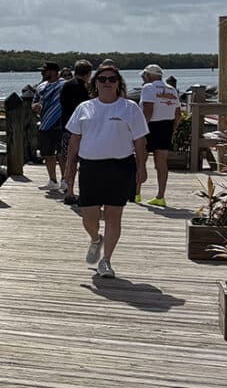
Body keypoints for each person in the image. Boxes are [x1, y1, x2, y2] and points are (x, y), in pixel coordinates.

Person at [64, 65, 148, 278]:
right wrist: (68, 170)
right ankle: (95, 239)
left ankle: (106, 260)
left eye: (112, 79)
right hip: (90, 167)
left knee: (113, 216)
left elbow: (140, 142)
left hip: (120, 167)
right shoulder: (84, 107)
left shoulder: (130, 108)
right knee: (88, 216)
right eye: (102, 79)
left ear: (119, 83)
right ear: (95, 83)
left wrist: (142, 167)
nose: (107, 82)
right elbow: (74, 142)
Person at [137, 64, 180, 206]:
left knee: (140, 160)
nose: (143, 79)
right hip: (166, 126)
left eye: (144, 76)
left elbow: (148, 109)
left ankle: (136, 193)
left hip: (151, 126)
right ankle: (160, 196)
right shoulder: (172, 89)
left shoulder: (148, 88)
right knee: (161, 163)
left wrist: (141, 129)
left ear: (149, 76)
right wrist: (172, 130)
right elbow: (178, 114)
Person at [59, 59, 93, 205]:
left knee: (70, 161)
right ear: (89, 73)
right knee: (85, 162)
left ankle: (70, 192)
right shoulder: (86, 88)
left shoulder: (65, 85)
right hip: (84, 130)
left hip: (67, 127)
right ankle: (86, 192)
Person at [32, 61, 66, 191]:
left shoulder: (64, 85)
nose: (42, 73)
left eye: (45, 71)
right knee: (47, 154)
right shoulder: (41, 87)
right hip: (45, 125)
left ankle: (65, 180)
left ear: (53, 71)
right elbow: (34, 102)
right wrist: (35, 107)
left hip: (61, 125)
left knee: (62, 154)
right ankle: (52, 180)